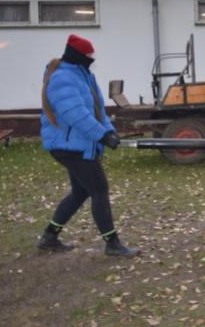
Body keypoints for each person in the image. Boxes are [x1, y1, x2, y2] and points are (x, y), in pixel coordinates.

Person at [37, 34, 140, 258]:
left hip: (79, 143)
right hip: (68, 145)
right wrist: (101, 136)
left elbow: (97, 109)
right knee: (99, 189)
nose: (92, 59)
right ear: (78, 55)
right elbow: (75, 114)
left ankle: (49, 236)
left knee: (80, 191)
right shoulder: (62, 77)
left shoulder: (85, 76)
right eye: (89, 55)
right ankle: (112, 244)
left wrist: (109, 130)